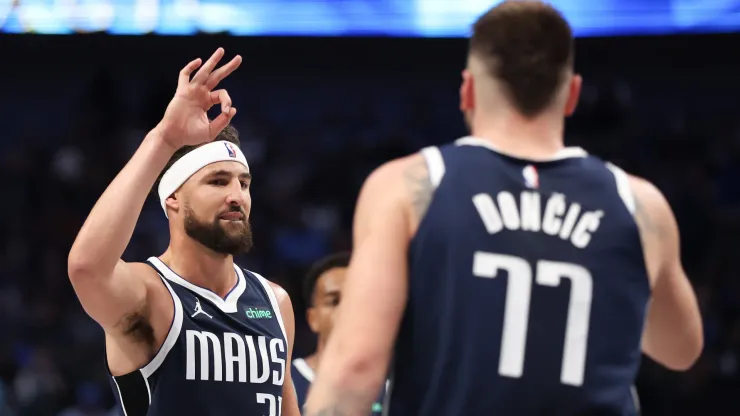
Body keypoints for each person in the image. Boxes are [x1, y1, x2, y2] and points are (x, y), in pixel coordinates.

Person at [303, 2, 703, 415]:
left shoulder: (407, 186)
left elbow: (355, 369)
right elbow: (681, 349)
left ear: (468, 89)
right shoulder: (639, 204)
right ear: (572, 94)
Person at [67, 48, 300, 416]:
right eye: (218, 182)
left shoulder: (275, 302)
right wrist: (163, 139)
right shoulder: (148, 294)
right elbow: (85, 267)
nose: (236, 196)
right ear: (173, 199)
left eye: (244, 183)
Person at [292, 252, 386, 414]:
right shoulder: (286, 382)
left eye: (355, 298)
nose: (346, 309)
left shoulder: (391, 386)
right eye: (334, 301)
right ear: (312, 318)